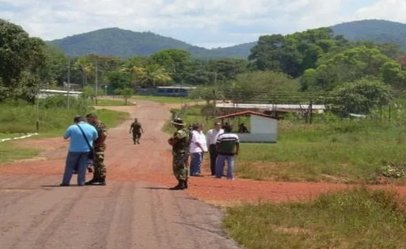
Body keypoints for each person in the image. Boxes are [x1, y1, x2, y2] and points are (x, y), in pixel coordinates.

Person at [60, 115, 98, 186]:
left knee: (69, 166)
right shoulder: (92, 127)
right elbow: (95, 137)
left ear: (75, 121)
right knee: (82, 166)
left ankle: (65, 182)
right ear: (85, 120)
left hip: (73, 150)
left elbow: (65, 137)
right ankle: (81, 182)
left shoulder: (72, 127)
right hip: (86, 150)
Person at [85, 113, 108, 185]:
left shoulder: (100, 125)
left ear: (93, 118)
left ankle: (101, 179)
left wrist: (100, 143)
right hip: (95, 146)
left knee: (99, 163)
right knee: (95, 163)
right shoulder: (93, 125)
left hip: (99, 147)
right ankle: (95, 178)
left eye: (89, 119)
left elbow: (104, 134)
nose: (88, 121)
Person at [168, 117, 190, 190]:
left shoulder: (180, 132)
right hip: (185, 151)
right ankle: (184, 183)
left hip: (180, 152)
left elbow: (174, 141)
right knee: (184, 167)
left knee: (179, 167)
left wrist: (170, 141)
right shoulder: (187, 131)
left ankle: (181, 184)